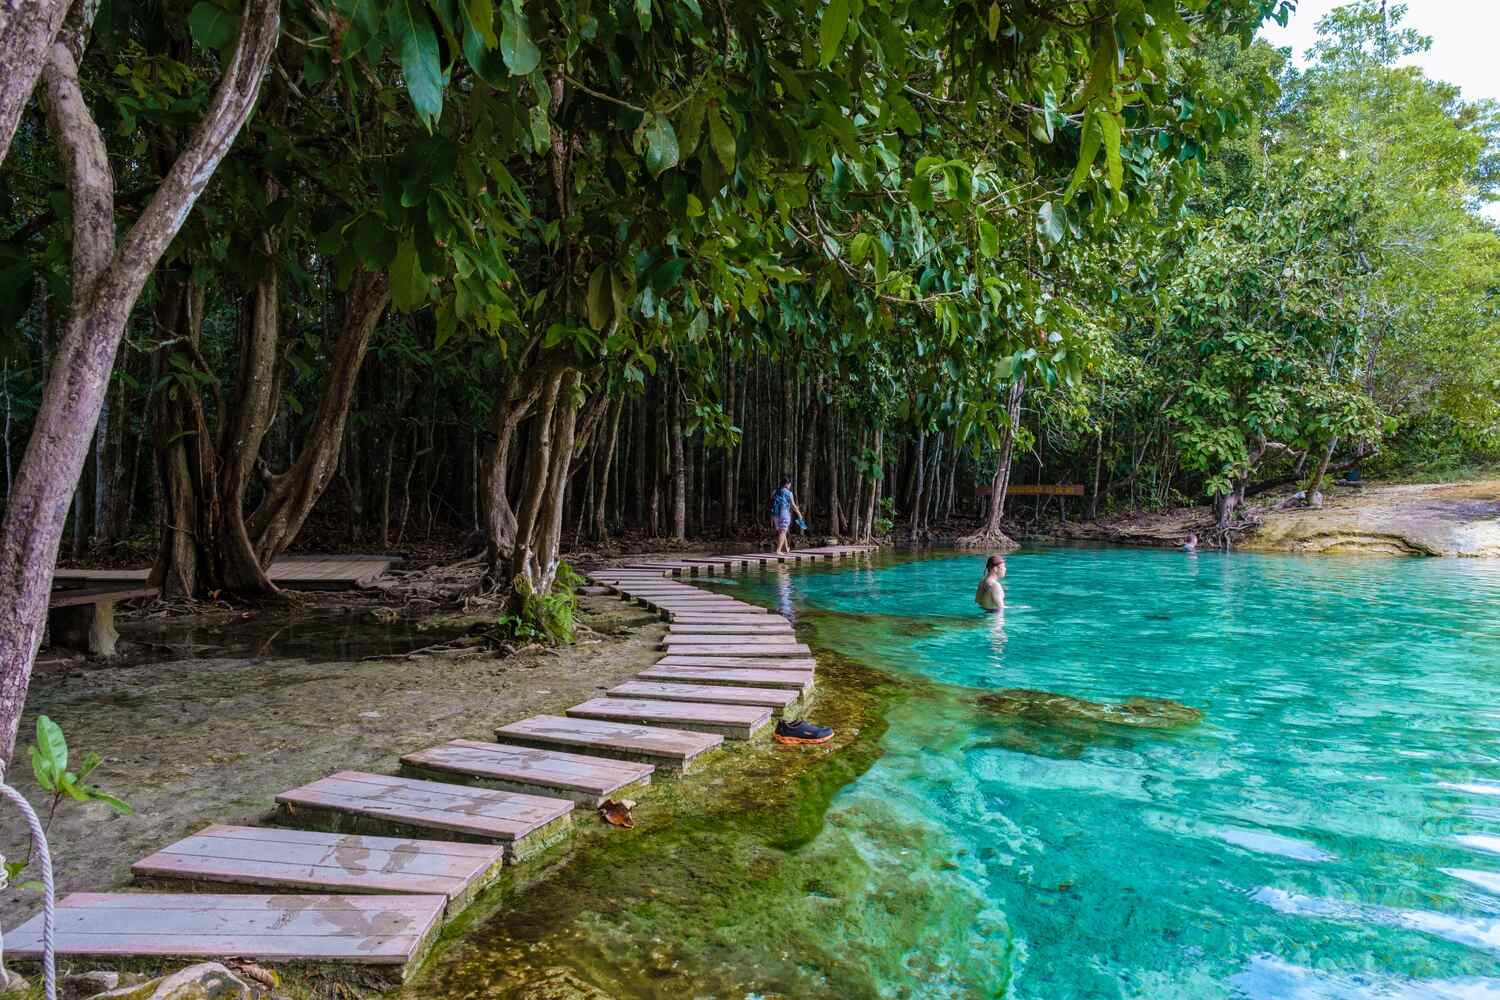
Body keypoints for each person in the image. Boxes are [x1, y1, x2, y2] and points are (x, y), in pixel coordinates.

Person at [768, 475, 804, 554]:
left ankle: (786, 548)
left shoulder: (775, 491)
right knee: (783, 531)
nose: (790, 485)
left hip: (775, 513)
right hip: (784, 513)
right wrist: (799, 514)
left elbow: (771, 501)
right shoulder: (789, 493)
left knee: (782, 531)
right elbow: (793, 505)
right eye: (790, 484)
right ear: (787, 484)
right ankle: (778, 550)